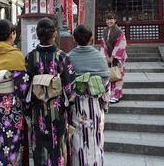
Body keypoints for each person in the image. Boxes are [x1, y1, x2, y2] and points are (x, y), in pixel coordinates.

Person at [25, 17, 75, 166]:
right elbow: (69, 87)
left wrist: (28, 108)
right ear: (54, 34)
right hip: (57, 109)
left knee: (39, 146)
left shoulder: (30, 57)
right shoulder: (62, 57)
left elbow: (26, 86)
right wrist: (68, 105)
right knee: (57, 146)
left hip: (38, 108)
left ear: (38, 35)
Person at [0, 19, 30, 166]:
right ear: (12, 34)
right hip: (11, 104)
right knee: (12, 141)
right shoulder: (15, 54)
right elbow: (22, 86)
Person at [68, 25, 109, 166]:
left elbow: (67, 85)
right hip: (95, 105)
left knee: (77, 140)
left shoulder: (69, 57)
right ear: (91, 38)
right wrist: (104, 105)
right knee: (96, 139)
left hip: (77, 106)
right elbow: (106, 85)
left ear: (74, 39)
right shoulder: (99, 57)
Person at [100, 13, 127, 103]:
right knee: (110, 76)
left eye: (111, 19)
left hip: (117, 57)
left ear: (115, 20)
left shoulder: (119, 31)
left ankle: (117, 95)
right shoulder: (104, 31)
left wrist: (113, 56)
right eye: (107, 19)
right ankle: (111, 94)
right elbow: (103, 45)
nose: (109, 21)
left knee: (117, 75)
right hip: (108, 57)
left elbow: (121, 44)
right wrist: (106, 56)